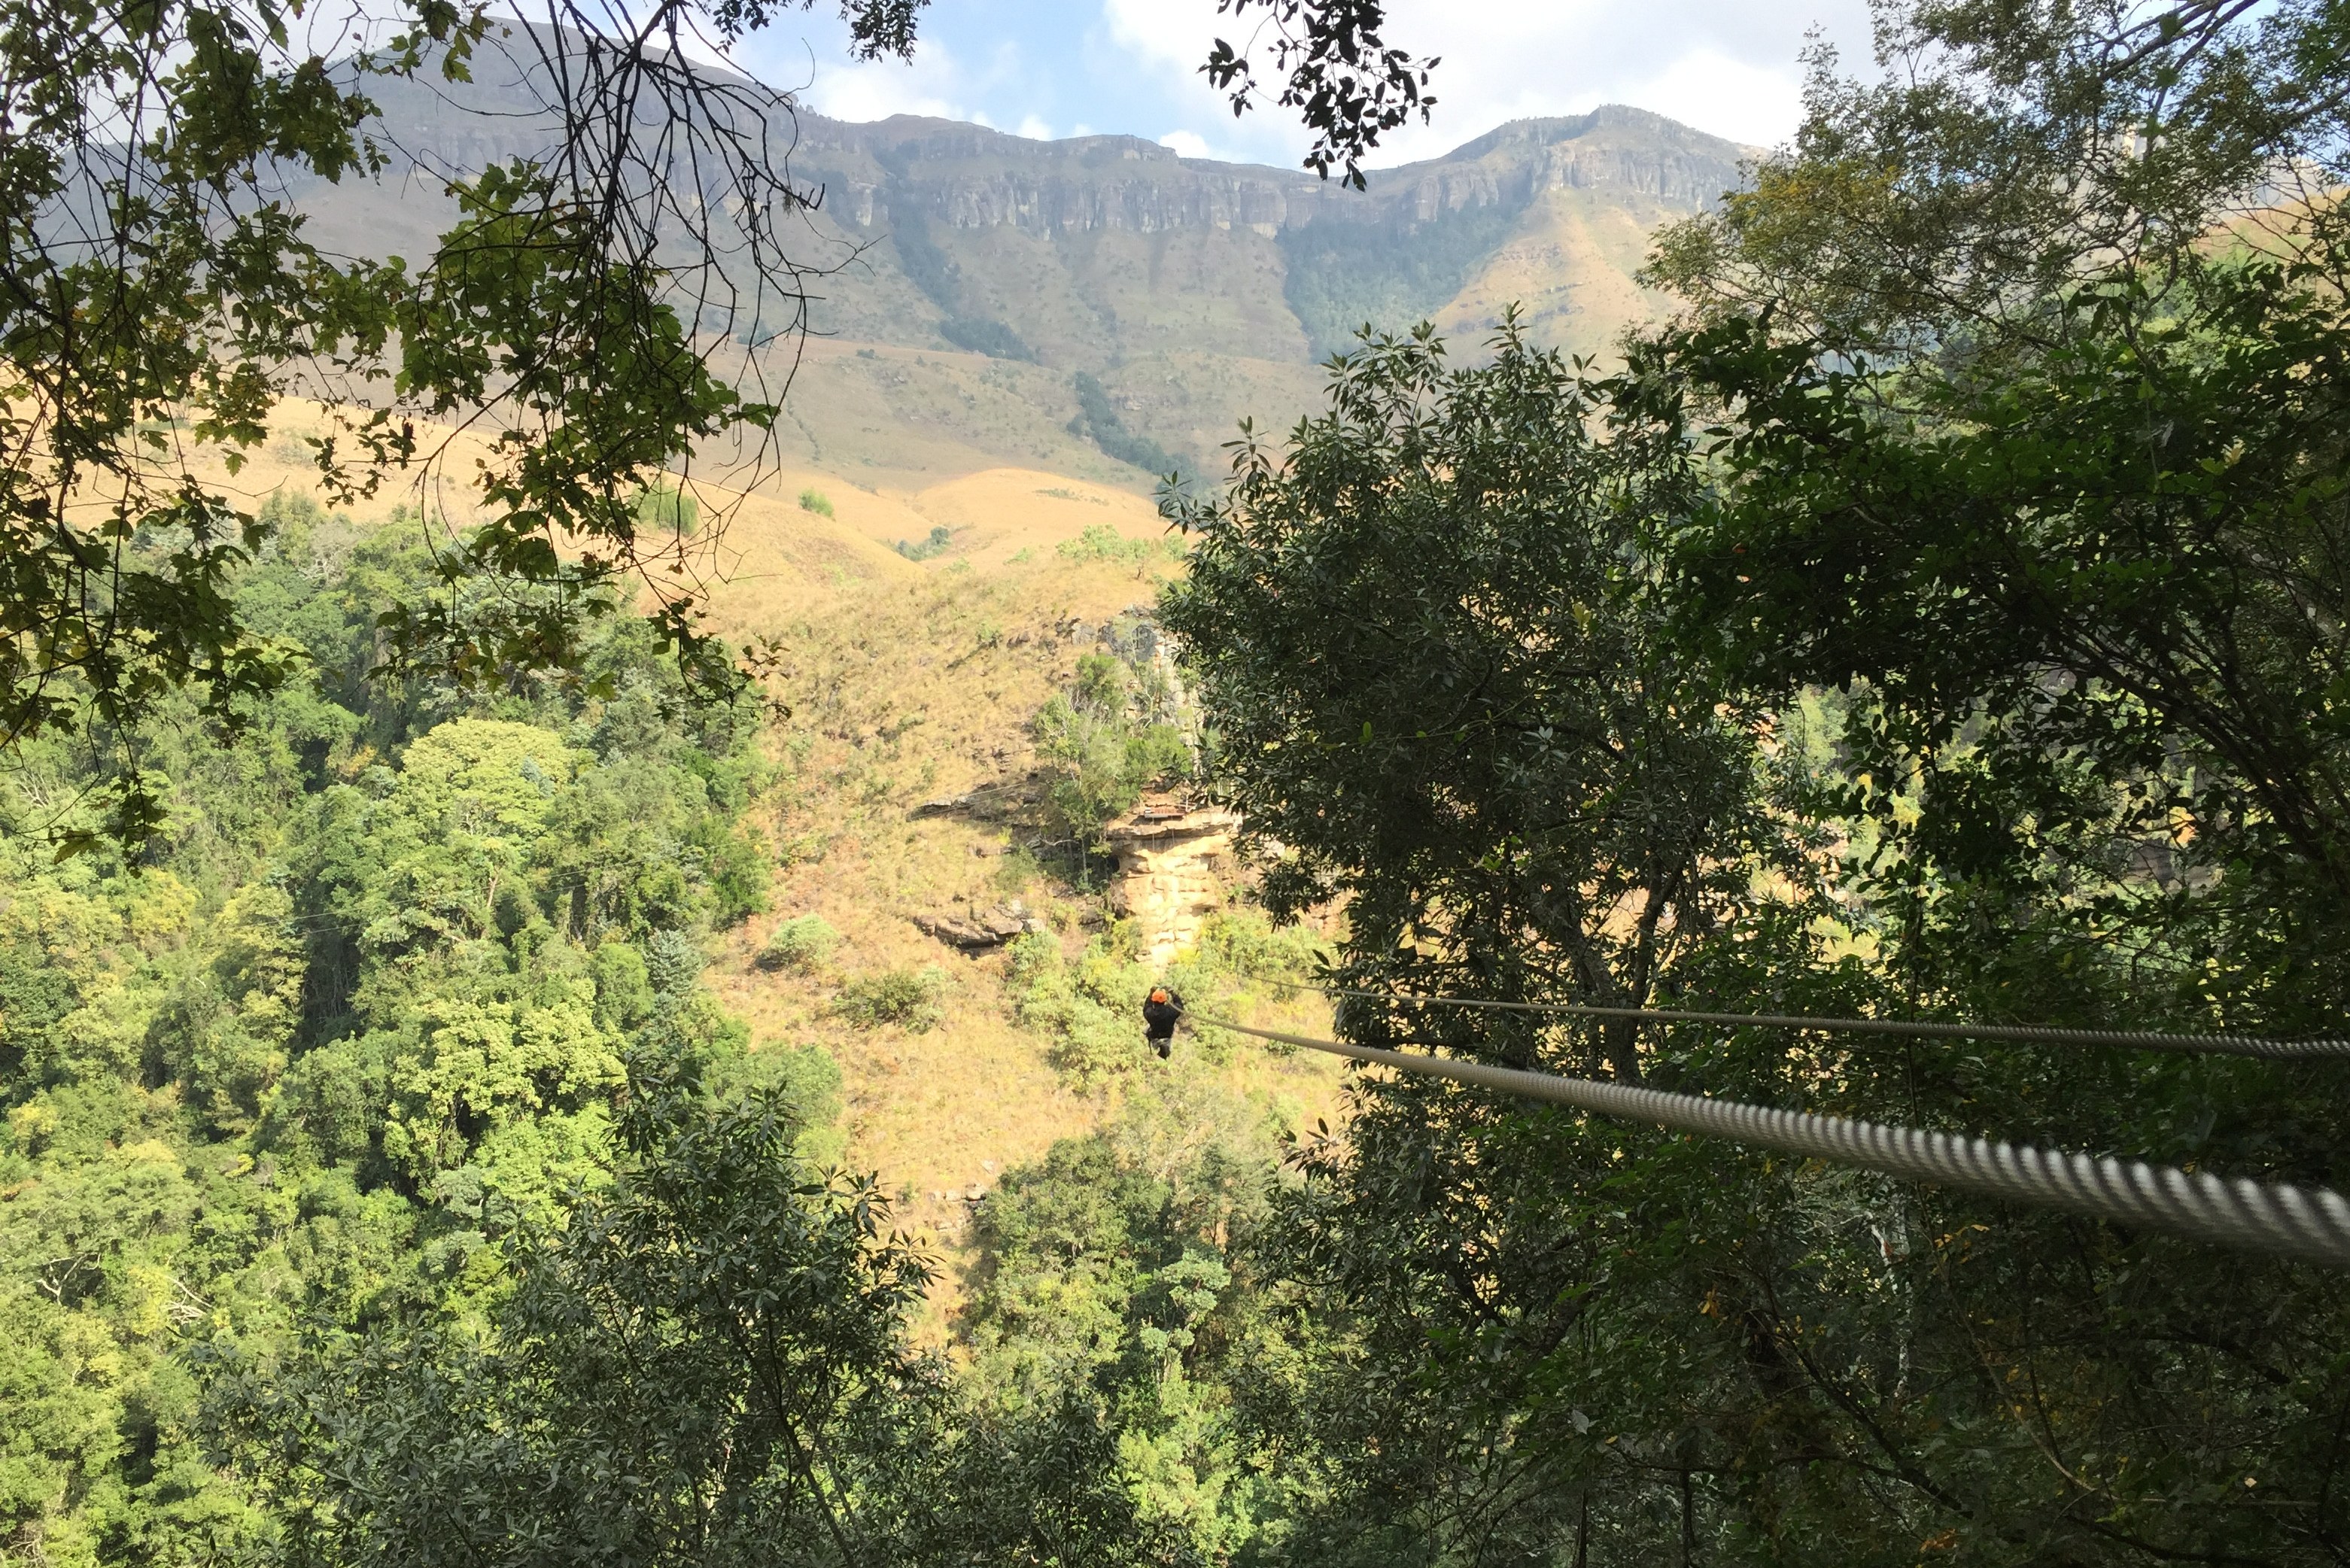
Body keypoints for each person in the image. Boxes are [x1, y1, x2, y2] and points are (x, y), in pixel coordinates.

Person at [1142, 985, 1184, 1059]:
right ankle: (1163, 1048)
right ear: (1164, 1001)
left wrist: (1151, 994)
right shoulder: (1171, 1011)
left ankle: (1160, 1046)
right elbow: (1179, 1005)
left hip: (1155, 1034)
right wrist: (1172, 993)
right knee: (1164, 1046)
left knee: (1148, 1032)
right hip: (1167, 1035)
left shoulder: (1151, 1014)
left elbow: (1147, 1007)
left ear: (1154, 1002)